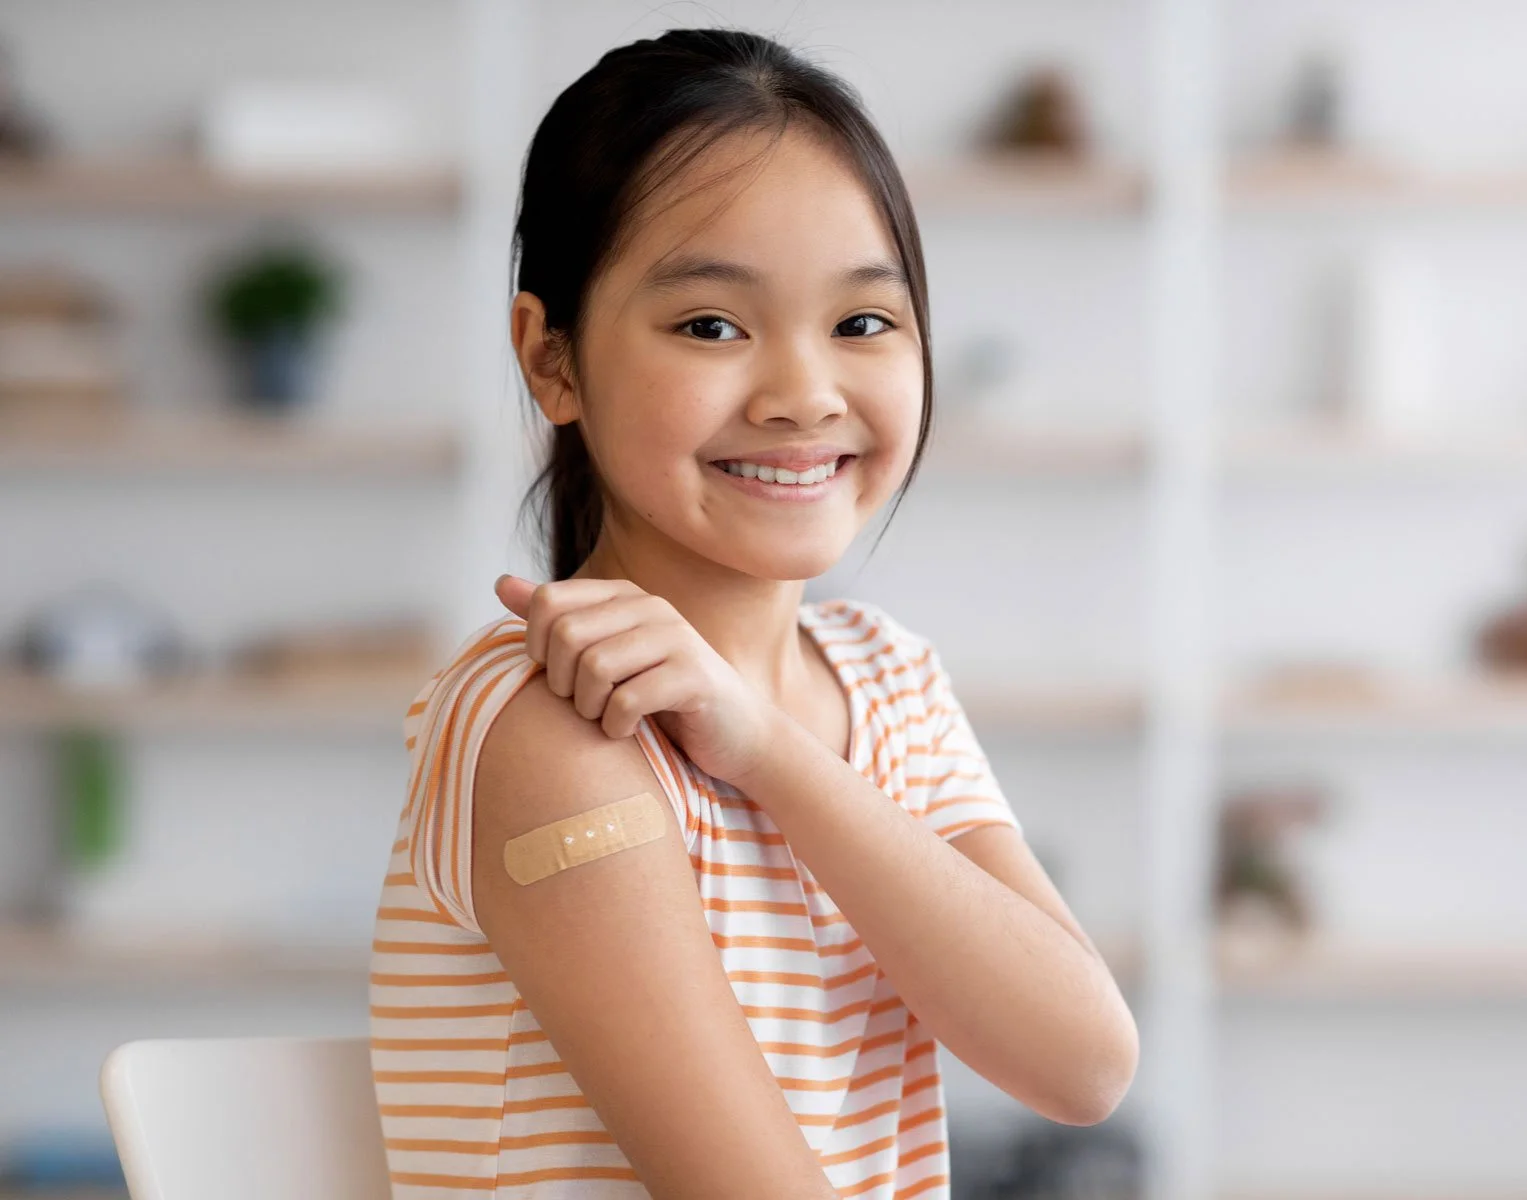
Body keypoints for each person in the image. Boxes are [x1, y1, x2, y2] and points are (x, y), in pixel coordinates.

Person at [369, 28, 1137, 1199]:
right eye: (711, 326)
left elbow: (1083, 1063)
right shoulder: (551, 728)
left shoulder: (888, 680)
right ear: (552, 360)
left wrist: (768, 750)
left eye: (863, 324)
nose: (804, 396)